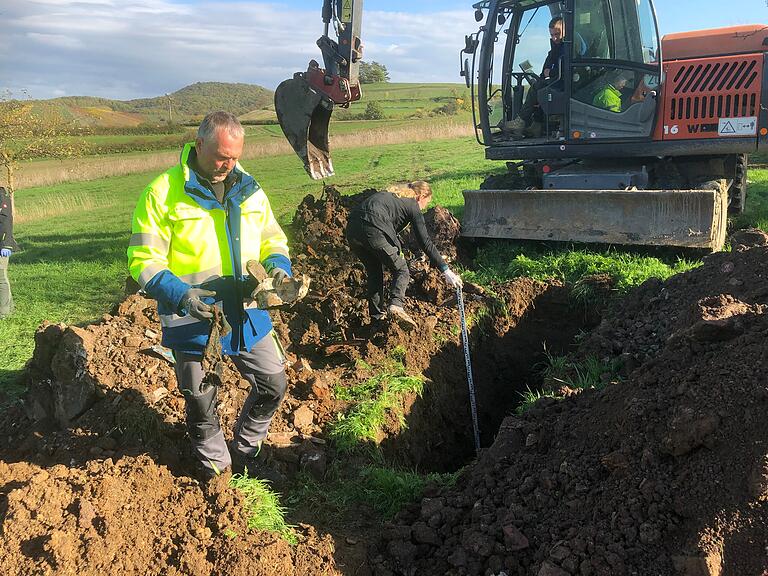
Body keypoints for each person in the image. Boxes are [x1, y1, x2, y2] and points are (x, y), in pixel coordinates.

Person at [128, 111, 292, 482]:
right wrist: (181, 294)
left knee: (273, 384)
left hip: (248, 313)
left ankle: (246, 452)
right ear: (199, 144)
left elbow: (273, 239)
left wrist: (280, 268)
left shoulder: (249, 187)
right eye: (221, 156)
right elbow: (143, 260)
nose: (227, 165)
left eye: (234, 157)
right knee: (201, 401)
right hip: (193, 320)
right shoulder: (162, 192)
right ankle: (218, 472)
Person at [345, 181, 463, 329]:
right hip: (373, 229)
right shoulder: (412, 205)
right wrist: (446, 270)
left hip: (352, 229)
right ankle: (396, 306)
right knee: (401, 269)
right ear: (421, 196)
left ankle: (376, 319)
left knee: (374, 273)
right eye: (426, 203)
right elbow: (425, 242)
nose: (424, 208)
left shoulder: (391, 197)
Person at [509, 16, 586, 138]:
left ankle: (521, 121)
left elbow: (568, 66)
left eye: (557, 34)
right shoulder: (558, 46)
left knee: (536, 88)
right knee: (540, 87)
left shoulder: (570, 45)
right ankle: (536, 126)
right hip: (561, 78)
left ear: (565, 29)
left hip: (569, 81)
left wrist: (549, 73)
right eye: (552, 35)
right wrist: (543, 76)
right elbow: (550, 60)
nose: (554, 38)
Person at [0, 186, 18, 318]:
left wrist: (6, 245)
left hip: (2, 245)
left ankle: (4, 313)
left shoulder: (2, 198)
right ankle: (10, 309)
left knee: (1, 278)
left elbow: (6, 222)